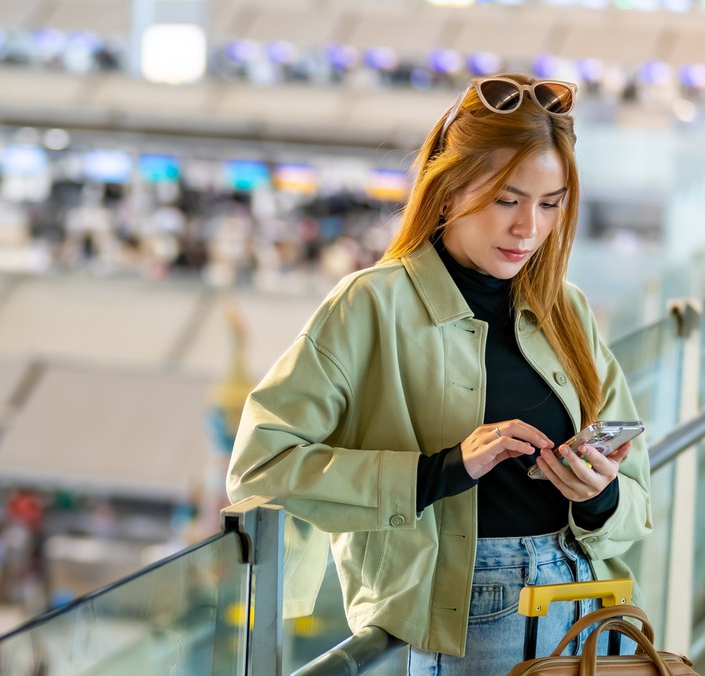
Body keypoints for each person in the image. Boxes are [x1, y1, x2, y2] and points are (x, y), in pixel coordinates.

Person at [226, 73, 652, 674]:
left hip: (591, 607)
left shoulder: (567, 308)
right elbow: (261, 466)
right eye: (507, 199)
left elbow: (638, 494)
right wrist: (441, 471)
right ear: (449, 190)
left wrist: (600, 495)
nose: (528, 228)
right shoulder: (370, 305)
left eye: (550, 204)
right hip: (468, 614)